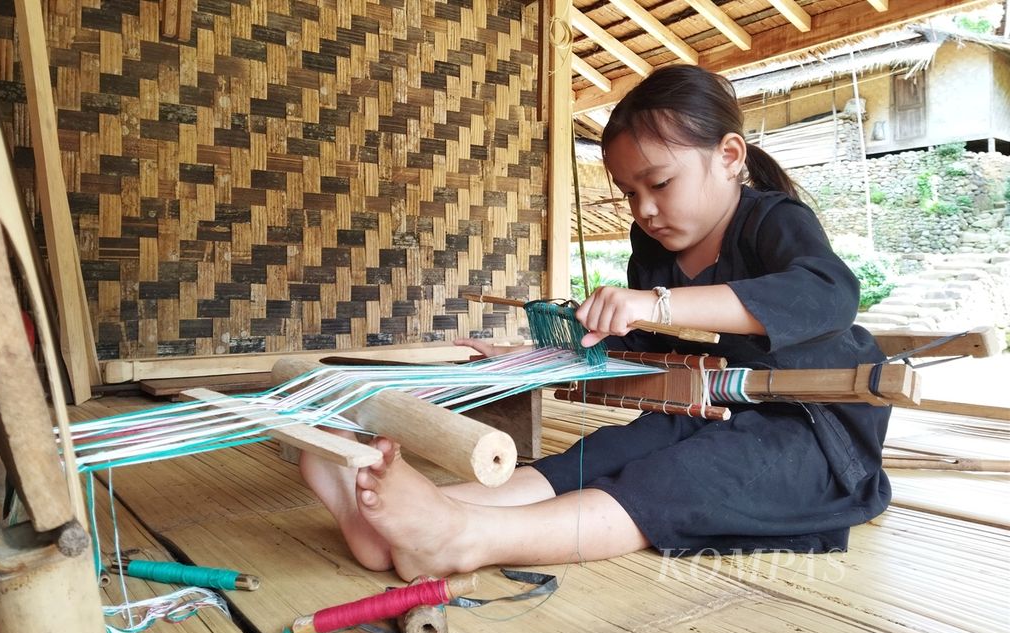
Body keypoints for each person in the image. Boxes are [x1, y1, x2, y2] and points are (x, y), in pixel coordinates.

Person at [300, 64, 892, 582]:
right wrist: (531, 357)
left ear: (729, 157)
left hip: (810, 429)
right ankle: (405, 518)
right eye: (628, 192)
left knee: (676, 480)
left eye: (659, 183)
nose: (644, 209)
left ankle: (463, 536)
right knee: (604, 453)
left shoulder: (773, 220)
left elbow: (827, 295)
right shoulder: (653, 245)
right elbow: (640, 346)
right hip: (706, 405)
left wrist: (655, 301)